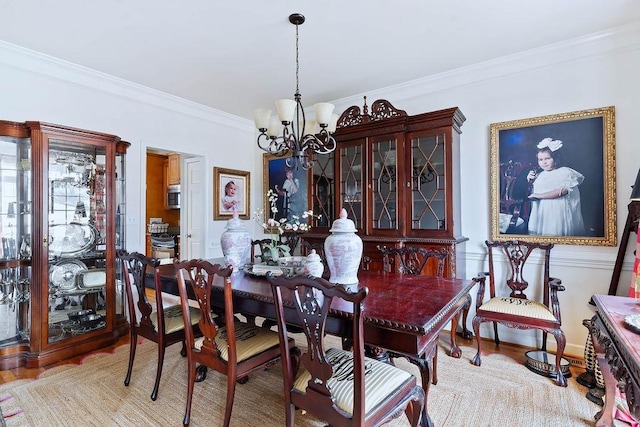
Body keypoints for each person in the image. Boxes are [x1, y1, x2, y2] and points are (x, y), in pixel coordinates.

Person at [527, 137, 585, 236]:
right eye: (540, 159)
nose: (543, 162)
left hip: (557, 210)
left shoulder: (564, 172)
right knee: (544, 230)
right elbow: (533, 191)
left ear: (556, 158)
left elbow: (562, 192)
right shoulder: (540, 175)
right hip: (544, 210)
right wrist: (531, 181)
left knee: (555, 229)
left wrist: (539, 195)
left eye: (547, 159)